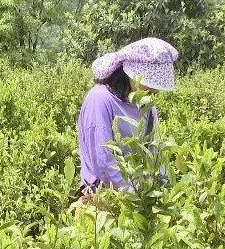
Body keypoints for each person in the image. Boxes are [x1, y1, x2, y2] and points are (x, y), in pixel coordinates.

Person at [76, 37, 178, 196]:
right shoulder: (100, 99)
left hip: (141, 195)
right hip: (104, 197)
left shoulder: (147, 107)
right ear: (131, 73)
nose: (153, 90)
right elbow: (103, 160)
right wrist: (134, 194)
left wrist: (163, 190)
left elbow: (155, 151)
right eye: (149, 82)